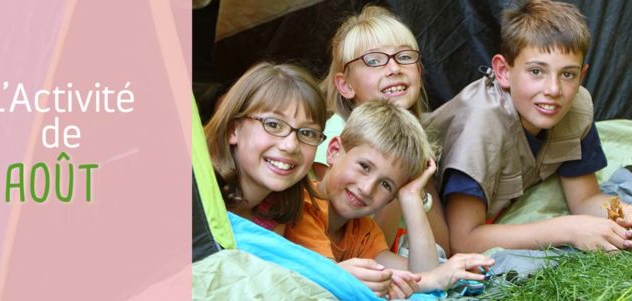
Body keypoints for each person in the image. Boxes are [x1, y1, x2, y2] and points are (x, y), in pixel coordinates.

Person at [425, 0, 632, 254]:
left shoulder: (575, 105)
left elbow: (584, 199)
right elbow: (463, 242)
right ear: (503, 71)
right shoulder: (480, 128)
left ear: (581, 76)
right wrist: (570, 230)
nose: (553, 90)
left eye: (568, 74)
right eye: (536, 71)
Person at [286, 101, 494, 299]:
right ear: (333, 152)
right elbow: (332, 280)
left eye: (386, 185)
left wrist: (411, 196)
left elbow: (421, 274)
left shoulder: (363, 230)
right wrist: (432, 279)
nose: (366, 189)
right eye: (364, 167)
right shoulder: (302, 206)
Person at [315, 5, 450, 254]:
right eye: (374, 61)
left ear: (419, 72)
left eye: (405, 57)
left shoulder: (411, 144)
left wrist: (412, 193)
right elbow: (370, 252)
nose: (394, 68)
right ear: (345, 85)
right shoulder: (335, 136)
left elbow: (443, 245)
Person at [203, 62, 327, 235]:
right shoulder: (195, 194)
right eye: (274, 124)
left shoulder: (273, 213)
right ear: (233, 130)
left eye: (307, 133)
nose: (290, 145)